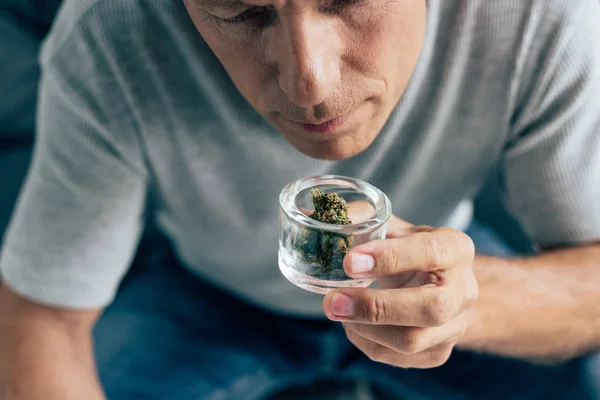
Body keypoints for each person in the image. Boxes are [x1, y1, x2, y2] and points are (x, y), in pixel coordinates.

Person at [0, 0, 599, 399]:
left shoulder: (541, 15)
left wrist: (464, 306)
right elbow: (43, 315)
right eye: (242, 10)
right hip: (213, 298)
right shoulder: (106, 36)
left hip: (446, 270)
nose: (309, 85)